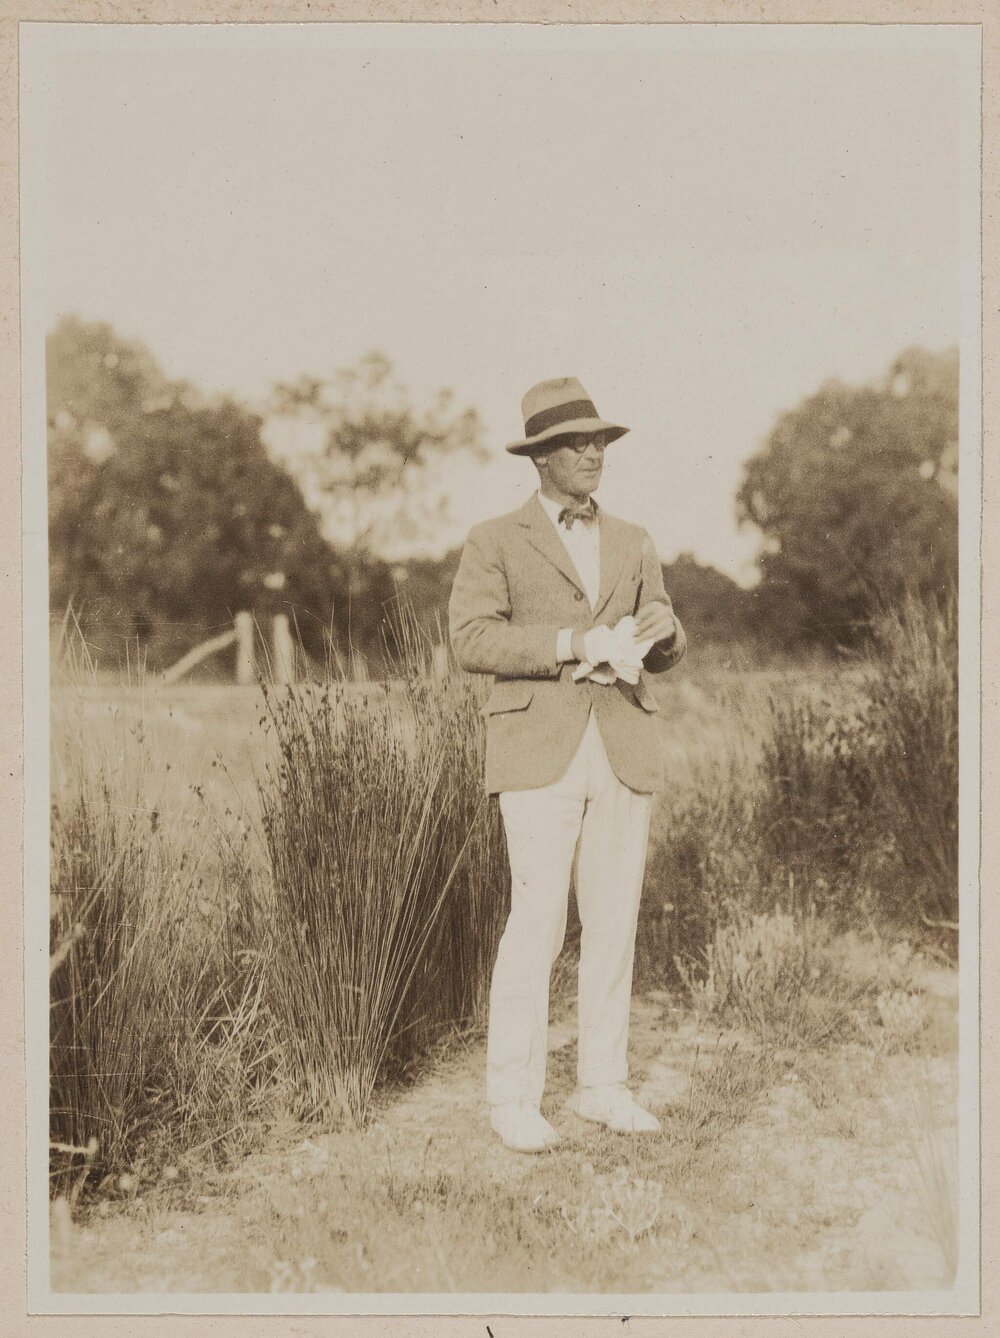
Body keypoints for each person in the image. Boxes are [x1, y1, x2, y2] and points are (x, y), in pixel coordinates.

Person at [448, 376, 687, 1154]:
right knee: (538, 922)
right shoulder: (494, 539)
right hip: (537, 750)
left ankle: (602, 1087)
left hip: (622, 741)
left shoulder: (635, 539)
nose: (594, 454)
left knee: (614, 921)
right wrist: (568, 644)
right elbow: (472, 640)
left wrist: (666, 628)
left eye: (601, 442)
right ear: (540, 458)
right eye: (578, 444)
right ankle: (513, 1097)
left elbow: (667, 643)